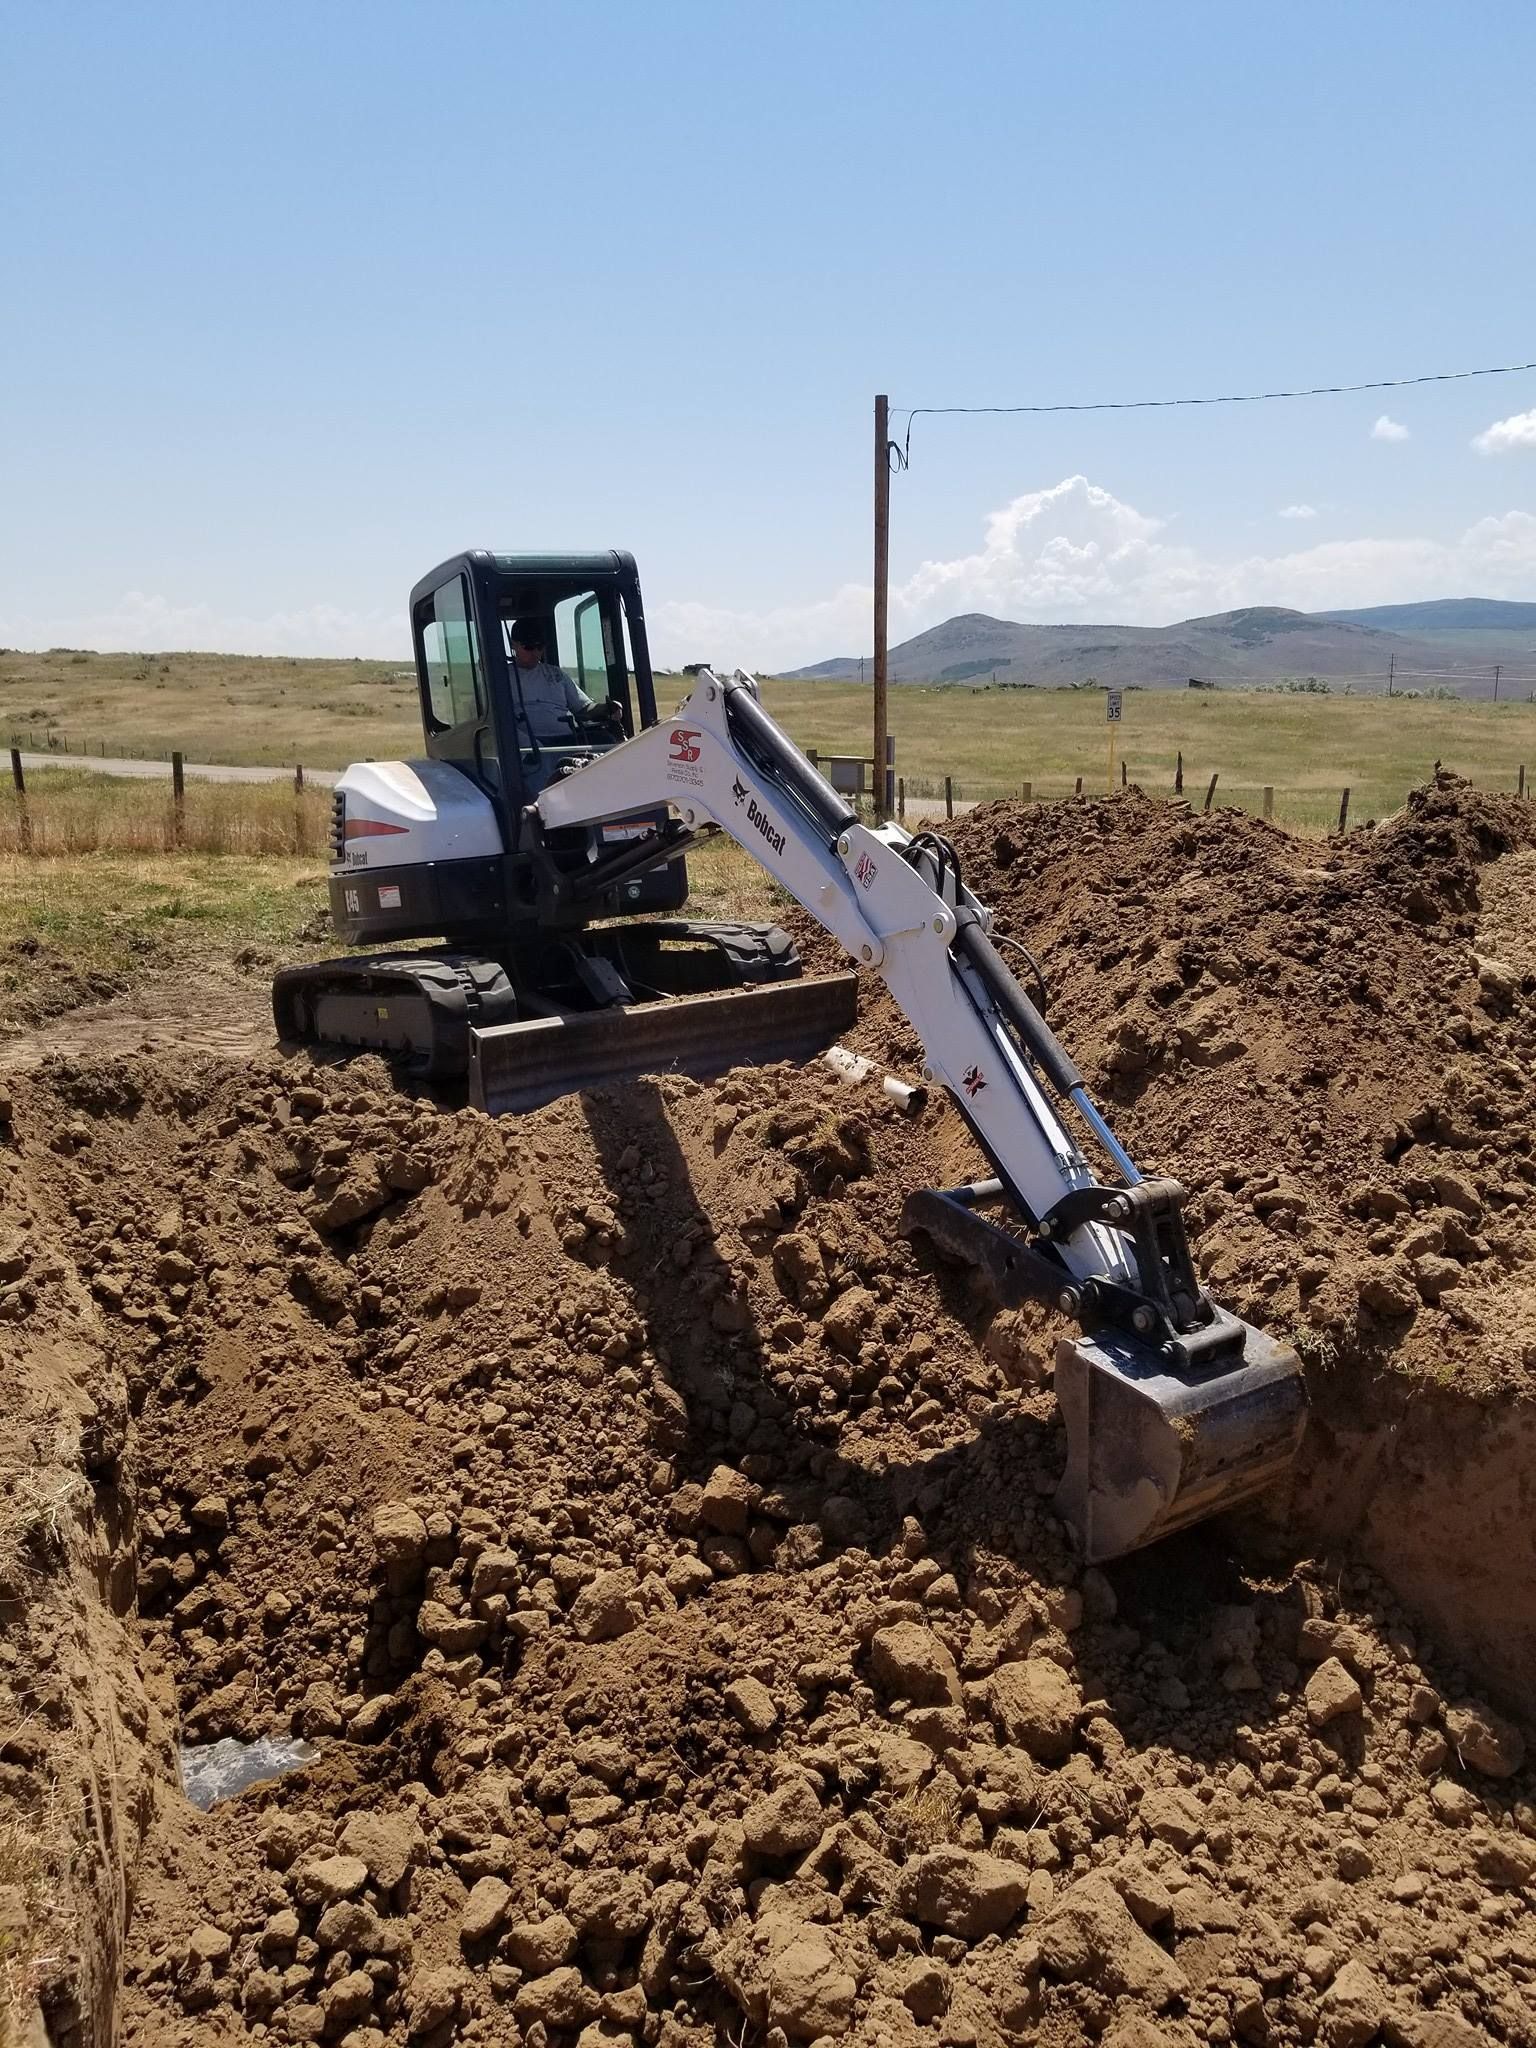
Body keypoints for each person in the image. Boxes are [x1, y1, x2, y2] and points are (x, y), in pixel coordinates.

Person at [506, 618, 596, 742]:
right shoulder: (502, 678)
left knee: (607, 739)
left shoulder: (556, 674)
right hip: (527, 746)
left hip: (568, 739)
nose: (536, 653)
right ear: (513, 645)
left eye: (540, 647)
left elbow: (583, 707)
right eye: (528, 647)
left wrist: (607, 708)